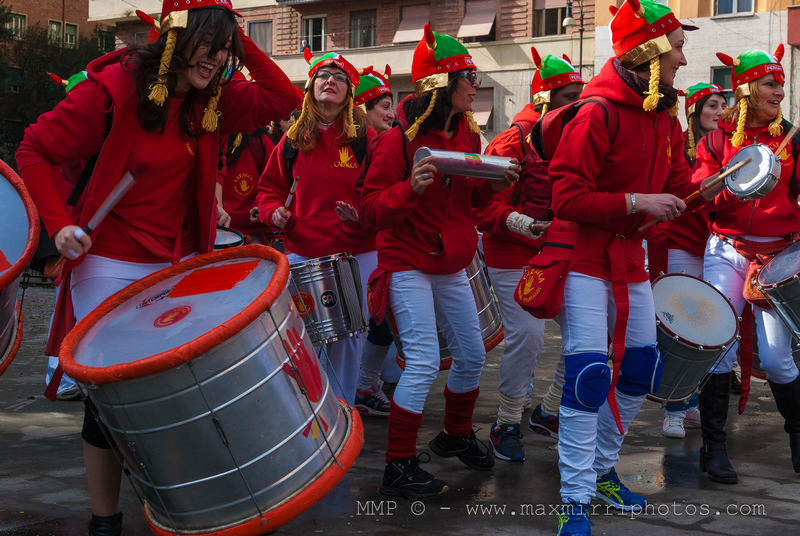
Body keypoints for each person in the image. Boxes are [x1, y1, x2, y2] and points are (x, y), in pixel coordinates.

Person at [15, 1, 302, 534]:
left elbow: (285, 97)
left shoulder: (212, 96)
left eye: (225, 50)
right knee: (113, 400)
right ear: (172, 38)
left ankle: (183, 507)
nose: (216, 60)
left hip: (180, 261)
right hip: (110, 259)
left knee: (189, 392)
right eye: (207, 44)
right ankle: (106, 520)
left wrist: (232, 32)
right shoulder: (112, 90)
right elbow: (34, 149)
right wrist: (57, 226)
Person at [540, 1, 722, 533]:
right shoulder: (595, 112)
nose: (684, 62)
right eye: (678, 50)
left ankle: (600, 472)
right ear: (649, 53)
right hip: (583, 257)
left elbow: (681, 187)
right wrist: (638, 203)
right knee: (588, 376)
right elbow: (566, 198)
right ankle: (573, 499)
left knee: (641, 368)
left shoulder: (663, 114)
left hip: (630, 259)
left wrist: (733, 182)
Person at [360, 24, 517, 498]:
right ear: (442, 85)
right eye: (468, 74)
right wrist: (410, 189)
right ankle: (398, 464)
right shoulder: (396, 142)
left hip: (450, 264)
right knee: (425, 362)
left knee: (472, 355)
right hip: (407, 263)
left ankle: (453, 434)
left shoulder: (467, 134)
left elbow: (468, 207)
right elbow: (371, 210)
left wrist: (495, 185)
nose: (476, 83)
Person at [693, 45, 800, 483]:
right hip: (727, 249)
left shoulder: (793, 137)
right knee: (717, 345)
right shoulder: (716, 139)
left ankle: (797, 437)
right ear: (748, 88)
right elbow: (699, 193)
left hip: (777, 255)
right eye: (771, 83)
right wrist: (734, 186)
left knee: (778, 361)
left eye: (780, 83)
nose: (780, 90)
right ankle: (713, 449)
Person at [256, 48, 377, 406]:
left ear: (349, 93)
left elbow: (382, 192)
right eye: (323, 76)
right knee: (300, 339)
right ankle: (307, 412)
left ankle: (340, 414)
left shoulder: (365, 140)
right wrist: (273, 211)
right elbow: (268, 189)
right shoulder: (292, 139)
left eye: (340, 78)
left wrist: (362, 216)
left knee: (350, 338)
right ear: (310, 87)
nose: (331, 81)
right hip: (302, 253)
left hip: (357, 253)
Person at [479, 47, 583, 461]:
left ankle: (549, 410)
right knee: (528, 334)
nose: (576, 106)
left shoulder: (577, 137)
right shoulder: (512, 141)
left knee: (586, 330)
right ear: (543, 100)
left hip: (557, 250)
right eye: (567, 97)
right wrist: (524, 224)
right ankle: (506, 422)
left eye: (580, 96)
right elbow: (484, 207)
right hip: (510, 252)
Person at [652, 83, 727, 439]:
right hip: (682, 245)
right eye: (713, 105)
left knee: (710, 328)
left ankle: (692, 398)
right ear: (695, 111)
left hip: (715, 247)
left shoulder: (728, 146)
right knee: (684, 327)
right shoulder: (677, 147)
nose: (721, 111)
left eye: (725, 105)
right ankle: (674, 408)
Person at [350, 64, 401, 415]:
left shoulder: (387, 142)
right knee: (366, 323)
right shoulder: (351, 142)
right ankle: (362, 386)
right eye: (383, 105)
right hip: (347, 250)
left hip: (375, 246)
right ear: (362, 110)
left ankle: (367, 384)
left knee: (381, 318)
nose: (391, 112)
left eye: (391, 104)